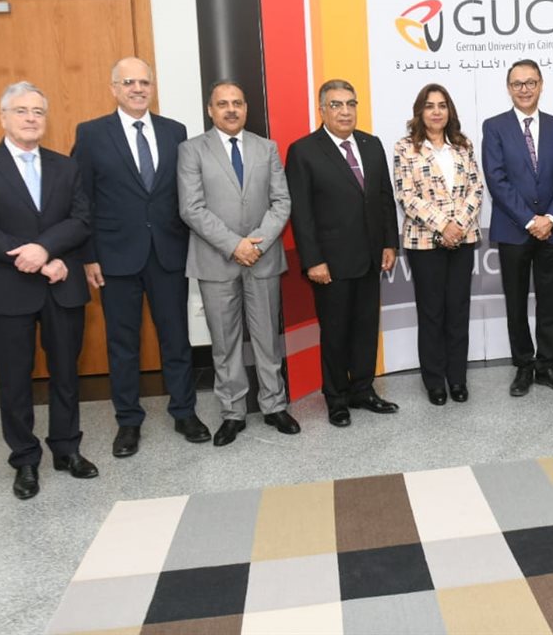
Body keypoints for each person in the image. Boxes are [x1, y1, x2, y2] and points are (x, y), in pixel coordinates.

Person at [0, 81, 97, 499]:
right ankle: (24, 459)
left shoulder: (66, 167)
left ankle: (67, 449)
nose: (31, 118)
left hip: (62, 284)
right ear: (3, 117)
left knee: (66, 374)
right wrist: (34, 257)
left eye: (38, 111)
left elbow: (81, 219)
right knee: (14, 381)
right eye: (21, 111)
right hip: (9, 288)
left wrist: (46, 250)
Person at [73, 57, 211, 457]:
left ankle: (184, 412)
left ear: (152, 87)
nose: (137, 89)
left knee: (176, 339)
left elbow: (182, 192)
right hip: (115, 257)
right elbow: (82, 198)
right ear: (114, 88)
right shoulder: (91, 134)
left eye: (144, 82)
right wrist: (88, 255)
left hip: (167, 253)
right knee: (123, 344)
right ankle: (128, 421)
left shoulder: (174, 131)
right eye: (128, 82)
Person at [178, 80, 297, 446]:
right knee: (225, 343)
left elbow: (282, 202)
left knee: (267, 338)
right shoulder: (191, 150)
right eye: (223, 103)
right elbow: (191, 208)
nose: (231, 109)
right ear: (210, 110)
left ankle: (274, 405)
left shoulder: (267, 148)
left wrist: (256, 244)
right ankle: (233, 412)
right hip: (216, 260)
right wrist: (234, 246)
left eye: (237, 103)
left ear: (246, 108)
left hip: (262, 258)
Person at [285, 79, 401, 426]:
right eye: (336, 104)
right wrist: (312, 260)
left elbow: (384, 198)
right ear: (322, 109)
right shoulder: (304, 150)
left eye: (350, 103)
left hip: (370, 258)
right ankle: (336, 398)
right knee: (335, 332)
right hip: (330, 264)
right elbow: (301, 212)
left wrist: (389, 243)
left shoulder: (371, 144)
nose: (345, 111)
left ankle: (363, 390)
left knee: (366, 328)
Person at [481, 60, 553, 397]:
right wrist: (530, 220)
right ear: (509, 88)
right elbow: (496, 179)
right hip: (513, 230)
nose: (524, 89)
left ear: (541, 84)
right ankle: (523, 365)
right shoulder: (494, 126)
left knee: (551, 301)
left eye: (530, 82)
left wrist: (550, 218)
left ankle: (547, 365)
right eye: (517, 83)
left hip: (552, 230)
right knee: (516, 301)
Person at [393, 84, 483, 405]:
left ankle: (457, 378)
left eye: (442, 105)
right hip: (424, 243)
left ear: (449, 111)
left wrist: (458, 226)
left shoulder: (462, 145)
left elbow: (476, 189)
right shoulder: (405, 148)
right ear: (420, 111)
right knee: (432, 313)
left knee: (458, 311)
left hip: (463, 239)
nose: (436, 111)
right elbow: (406, 195)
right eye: (429, 106)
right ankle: (434, 381)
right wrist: (443, 225)